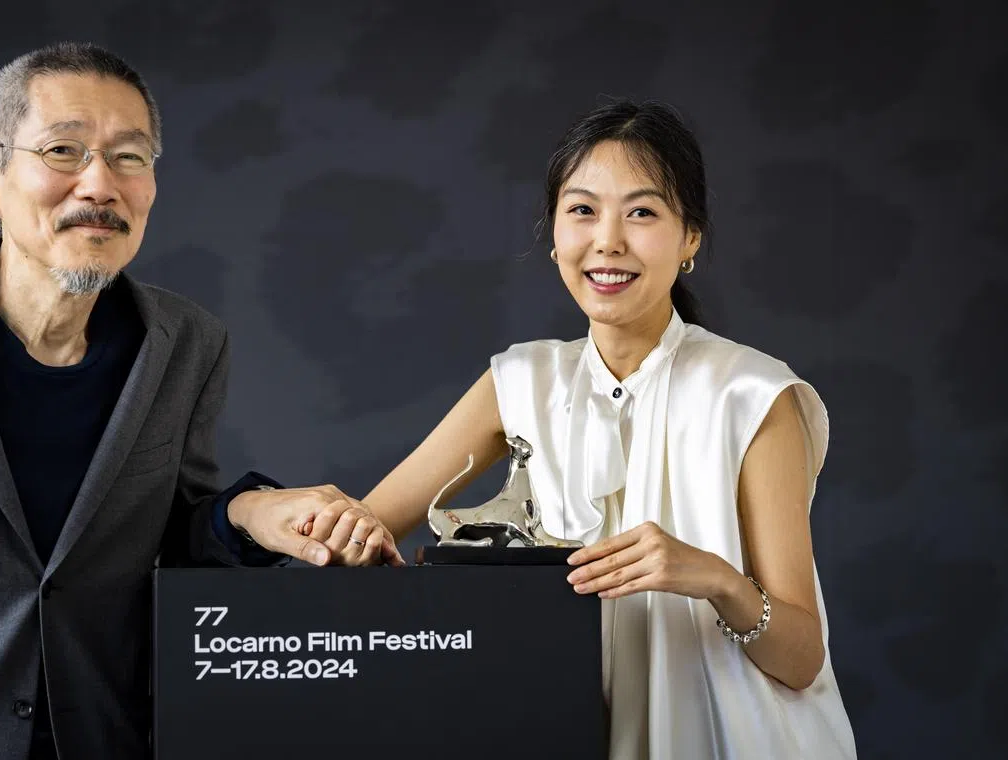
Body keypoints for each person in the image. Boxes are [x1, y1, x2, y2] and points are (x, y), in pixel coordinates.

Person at [0, 42, 400, 760]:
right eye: (63, 150)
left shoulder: (186, 342)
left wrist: (253, 515)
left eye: (130, 157)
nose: (99, 184)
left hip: (104, 737)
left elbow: (176, 537)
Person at [324, 100, 857, 758]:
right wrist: (273, 514)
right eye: (582, 210)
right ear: (554, 234)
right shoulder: (522, 381)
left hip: (732, 735)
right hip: (556, 724)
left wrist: (716, 578)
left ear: (690, 237)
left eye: (642, 212)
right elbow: (365, 526)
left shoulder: (752, 394)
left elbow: (802, 660)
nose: (607, 240)